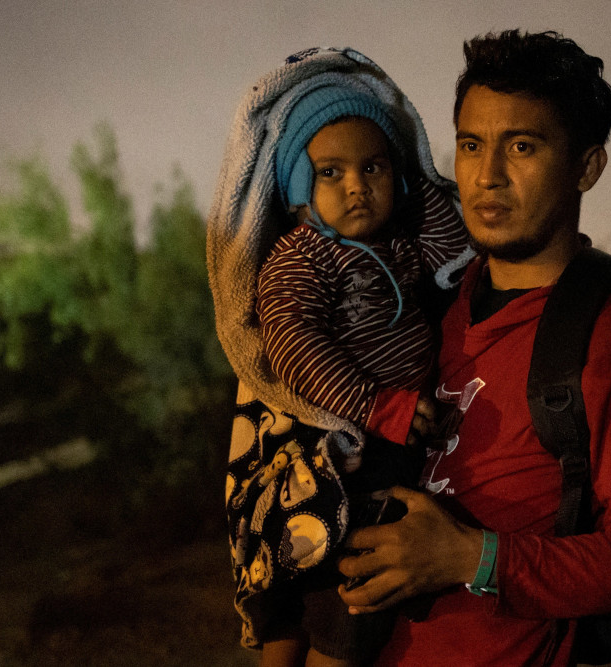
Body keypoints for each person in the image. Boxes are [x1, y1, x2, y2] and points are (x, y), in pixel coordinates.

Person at [336, 30, 611, 666]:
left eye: (523, 147)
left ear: (586, 166)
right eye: (471, 145)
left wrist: (469, 558)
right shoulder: (425, 309)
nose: (488, 175)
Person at [206, 49, 472, 667]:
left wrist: (419, 187)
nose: (357, 184)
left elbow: (452, 248)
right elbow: (296, 349)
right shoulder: (301, 259)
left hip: (392, 436)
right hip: (342, 452)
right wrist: (380, 407)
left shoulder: (402, 241)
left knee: (336, 612)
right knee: (342, 605)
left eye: (375, 166)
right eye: (330, 172)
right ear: (299, 188)